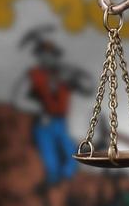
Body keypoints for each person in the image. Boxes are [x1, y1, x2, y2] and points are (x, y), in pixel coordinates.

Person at [12, 28, 93, 186]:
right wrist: (38, 109)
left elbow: (88, 88)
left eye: (50, 55)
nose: (47, 59)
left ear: (56, 56)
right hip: (43, 123)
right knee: (49, 156)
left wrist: (76, 77)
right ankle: (54, 182)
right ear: (39, 57)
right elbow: (18, 99)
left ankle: (69, 181)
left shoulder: (66, 73)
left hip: (61, 122)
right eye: (42, 55)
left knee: (70, 153)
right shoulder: (34, 75)